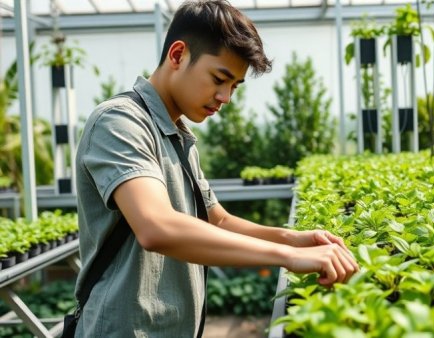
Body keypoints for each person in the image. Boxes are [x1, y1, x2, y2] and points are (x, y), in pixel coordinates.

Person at [73, 0, 359, 336]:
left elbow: (216, 218)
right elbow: (156, 227)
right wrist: (286, 256)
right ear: (177, 55)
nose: (225, 98)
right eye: (219, 78)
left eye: (234, 86)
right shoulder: (120, 122)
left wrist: (294, 239)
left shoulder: (178, 134)